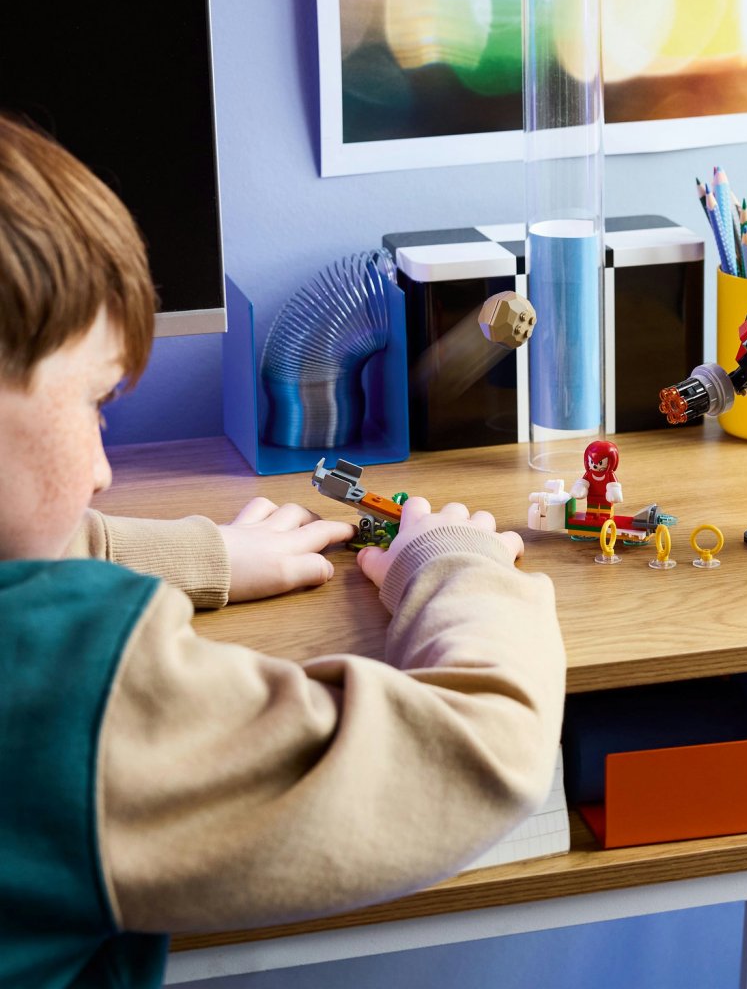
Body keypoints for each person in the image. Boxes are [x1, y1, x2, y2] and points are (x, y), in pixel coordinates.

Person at [0, 114, 566, 988]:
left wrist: (199, 556)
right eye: (96, 404)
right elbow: (484, 753)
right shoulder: (67, 698)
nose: (106, 472)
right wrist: (460, 565)